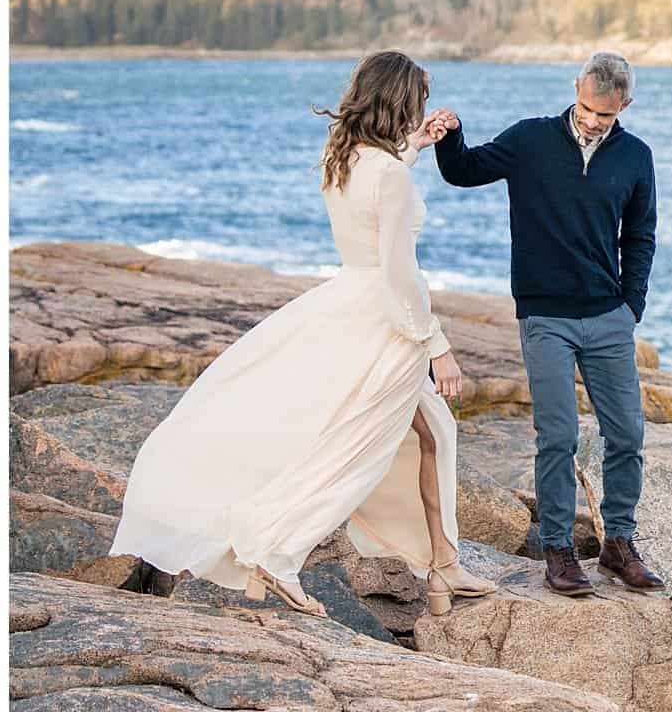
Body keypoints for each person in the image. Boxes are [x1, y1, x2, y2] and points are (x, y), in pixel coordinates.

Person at [110, 50, 499, 618]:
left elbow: (377, 198)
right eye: (418, 99)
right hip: (386, 324)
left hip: (347, 303)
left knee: (433, 430)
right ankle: (276, 546)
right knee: (351, 448)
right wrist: (438, 347)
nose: (422, 106)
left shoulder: (343, 156)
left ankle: (444, 566)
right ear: (400, 101)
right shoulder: (385, 174)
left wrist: (416, 144)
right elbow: (398, 274)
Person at [429, 50, 662, 597]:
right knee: (556, 435)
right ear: (576, 88)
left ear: (623, 105)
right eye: (585, 108)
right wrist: (449, 134)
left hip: (608, 318)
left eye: (603, 115)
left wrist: (632, 306)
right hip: (545, 317)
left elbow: (642, 236)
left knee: (627, 433)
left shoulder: (635, 156)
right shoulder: (531, 139)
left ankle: (618, 544)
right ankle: (558, 549)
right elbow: (464, 170)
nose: (591, 121)